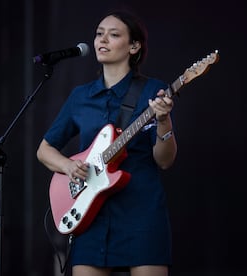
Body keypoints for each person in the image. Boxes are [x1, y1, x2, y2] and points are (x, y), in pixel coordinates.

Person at [36, 9, 177, 276]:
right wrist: (68, 166)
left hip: (141, 213)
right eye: (99, 34)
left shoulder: (152, 91)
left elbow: (165, 160)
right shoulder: (81, 96)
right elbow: (44, 150)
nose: (103, 40)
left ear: (134, 46)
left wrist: (163, 121)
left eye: (114, 35)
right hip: (91, 216)